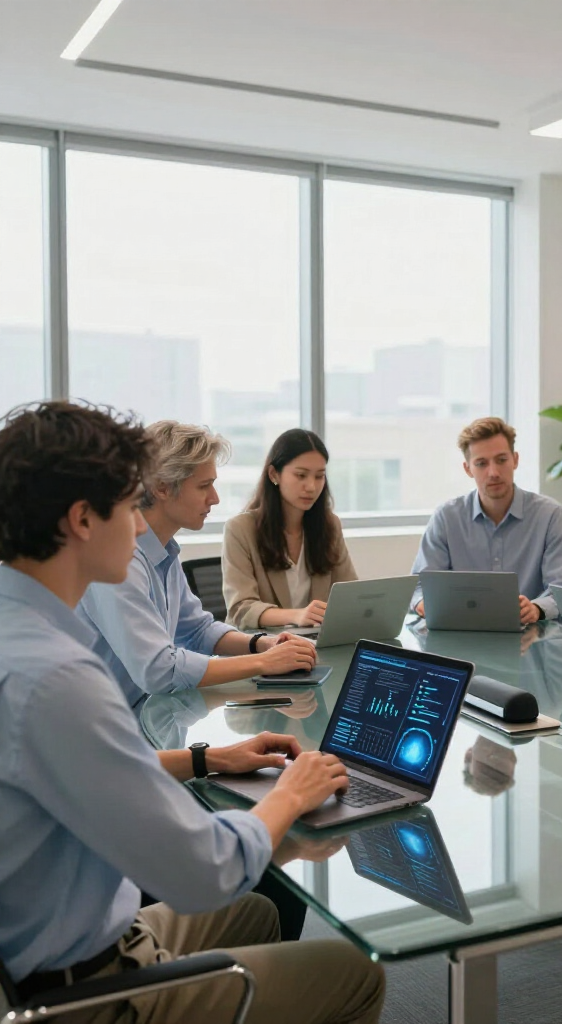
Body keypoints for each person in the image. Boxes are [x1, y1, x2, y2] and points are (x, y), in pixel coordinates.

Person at [0, 401, 384, 1024]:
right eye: (130, 506)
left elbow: (81, 766)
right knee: (350, 972)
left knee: (260, 909)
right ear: (83, 520)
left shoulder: (23, 636)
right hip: (88, 987)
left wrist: (209, 756)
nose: (141, 524)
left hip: (63, 930)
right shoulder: (59, 678)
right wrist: (289, 797)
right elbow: (204, 871)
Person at [78, 421, 317, 713]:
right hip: (105, 731)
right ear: (162, 487)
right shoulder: (118, 562)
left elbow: (196, 630)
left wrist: (262, 644)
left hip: (143, 721)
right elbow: (159, 671)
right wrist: (263, 663)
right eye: (204, 486)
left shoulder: (163, 552)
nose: (214, 499)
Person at [410, 416, 562, 624]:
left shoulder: (551, 516)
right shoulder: (446, 517)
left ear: (515, 459)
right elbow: (419, 587)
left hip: (533, 637)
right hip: (460, 634)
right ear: (468, 469)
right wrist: (424, 603)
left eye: (501, 460)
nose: (493, 473)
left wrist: (536, 608)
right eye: (481, 464)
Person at [223, 428, 357, 630]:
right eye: (301, 475)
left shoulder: (330, 525)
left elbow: (350, 594)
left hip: (314, 643)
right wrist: (297, 615)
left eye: (319, 476)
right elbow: (241, 609)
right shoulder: (240, 529)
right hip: (262, 647)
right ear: (274, 474)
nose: (311, 486)